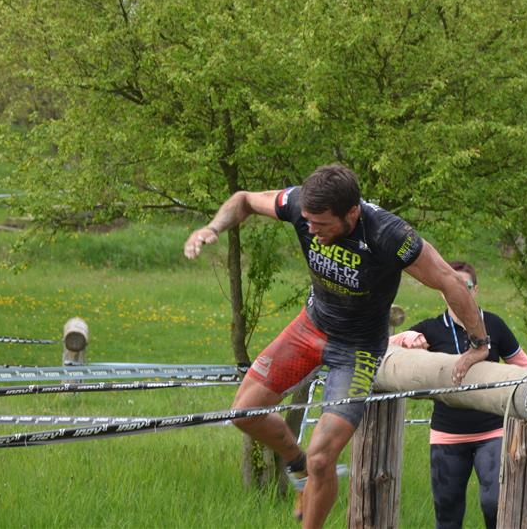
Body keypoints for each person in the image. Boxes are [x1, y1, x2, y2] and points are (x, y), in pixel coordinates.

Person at [183, 165, 490, 529]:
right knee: (244, 413)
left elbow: (449, 281)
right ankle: (296, 464)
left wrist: (479, 343)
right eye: (308, 222)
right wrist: (212, 228)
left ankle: (310, 487)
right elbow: (243, 200)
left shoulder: (389, 234)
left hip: (357, 350)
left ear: (352, 213)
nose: (312, 230)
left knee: (322, 460)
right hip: (310, 327)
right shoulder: (300, 204)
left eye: (322, 224)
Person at [390, 260, 527, 529]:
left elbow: (525, 368)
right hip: (447, 435)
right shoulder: (431, 328)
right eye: (450, 285)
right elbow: (385, 347)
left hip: (493, 431)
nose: (457, 290)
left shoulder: (494, 324)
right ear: (442, 291)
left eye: (464, 285)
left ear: (475, 290)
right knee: (447, 515)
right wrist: (406, 338)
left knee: (495, 503)